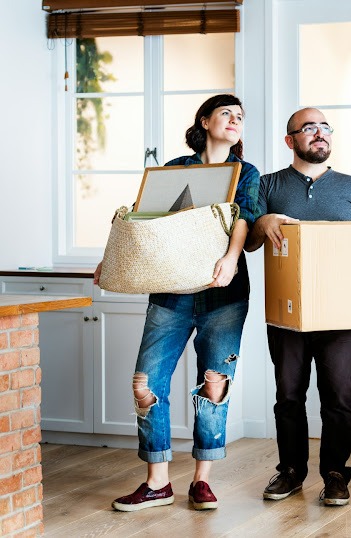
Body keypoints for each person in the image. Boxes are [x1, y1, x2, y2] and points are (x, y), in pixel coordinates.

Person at [94, 94, 260, 512]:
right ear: (204, 120)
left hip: (223, 293)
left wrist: (230, 258)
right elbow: (144, 220)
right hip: (170, 294)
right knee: (146, 384)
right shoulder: (174, 169)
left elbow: (245, 218)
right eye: (226, 113)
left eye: (240, 116)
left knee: (214, 386)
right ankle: (158, 482)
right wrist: (108, 260)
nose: (235, 120)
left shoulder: (247, 171)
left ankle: (202, 481)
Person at [245, 107, 351, 506]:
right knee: (289, 395)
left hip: (339, 311)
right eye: (309, 128)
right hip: (287, 315)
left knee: (339, 397)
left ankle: (336, 475)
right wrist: (262, 221)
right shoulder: (267, 184)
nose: (319, 134)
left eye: (325, 128)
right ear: (291, 140)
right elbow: (247, 241)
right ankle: (290, 472)